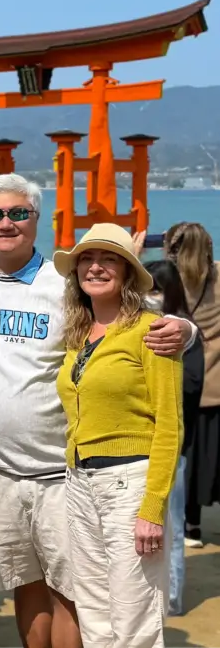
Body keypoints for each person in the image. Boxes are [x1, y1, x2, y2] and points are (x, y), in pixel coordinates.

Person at [0, 173, 194, 648]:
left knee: (79, 593)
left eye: (19, 213)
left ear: (37, 219)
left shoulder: (65, 285)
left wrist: (186, 330)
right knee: (28, 583)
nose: (6, 223)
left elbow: (144, 319)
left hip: (63, 474)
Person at [53, 224, 182, 646]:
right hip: (80, 482)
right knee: (93, 610)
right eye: (87, 260)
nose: (95, 267)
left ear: (127, 272)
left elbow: (169, 424)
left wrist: (153, 506)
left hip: (130, 484)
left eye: (109, 259)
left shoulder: (152, 330)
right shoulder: (78, 334)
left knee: (135, 616)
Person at [144, 259, 205, 616]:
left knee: (173, 527)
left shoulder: (184, 333)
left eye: (154, 290)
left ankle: (172, 598)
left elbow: (191, 386)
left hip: (174, 447)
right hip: (144, 446)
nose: (147, 297)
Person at [162, 223, 220, 548]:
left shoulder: (169, 284)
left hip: (184, 387)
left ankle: (191, 526)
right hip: (217, 387)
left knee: (187, 460)